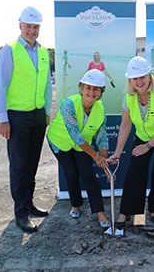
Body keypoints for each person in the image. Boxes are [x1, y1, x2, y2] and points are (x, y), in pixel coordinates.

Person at [0, 6, 52, 233]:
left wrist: (47, 112)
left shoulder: (44, 52)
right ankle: (20, 213)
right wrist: (3, 118)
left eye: (36, 27)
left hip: (38, 116)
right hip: (17, 117)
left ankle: (28, 204)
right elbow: (1, 85)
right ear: (20, 26)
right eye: (28, 26)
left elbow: (47, 84)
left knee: (32, 163)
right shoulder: (9, 50)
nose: (32, 30)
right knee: (19, 166)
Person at [108, 56, 154, 234]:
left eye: (142, 76)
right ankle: (125, 213)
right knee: (135, 172)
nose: (139, 81)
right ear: (130, 80)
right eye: (135, 78)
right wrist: (118, 152)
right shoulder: (128, 98)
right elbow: (125, 126)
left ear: (149, 76)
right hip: (143, 135)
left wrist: (147, 146)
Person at [46, 69, 111, 229]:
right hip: (59, 141)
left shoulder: (100, 108)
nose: (91, 92)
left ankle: (99, 212)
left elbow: (102, 136)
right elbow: (75, 135)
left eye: (96, 89)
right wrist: (96, 157)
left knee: (88, 174)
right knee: (71, 172)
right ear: (81, 88)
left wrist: (105, 165)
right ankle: (75, 205)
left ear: (101, 92)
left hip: (81, 146)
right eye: (88, 87)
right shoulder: (69, 104)